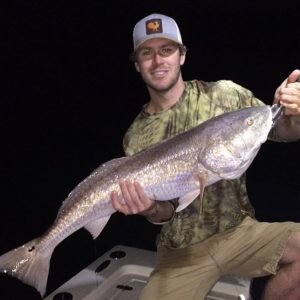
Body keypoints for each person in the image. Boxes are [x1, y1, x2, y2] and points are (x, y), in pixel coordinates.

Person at [111, 13, 300, 300]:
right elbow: (165, 208)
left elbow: (279, 131)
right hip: (180, 253)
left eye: (167, 50)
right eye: (147, 53)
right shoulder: (136, 135)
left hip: (239, 231)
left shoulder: (225, 95)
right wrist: (149, 209)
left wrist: (290, 113)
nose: (158, 60)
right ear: (138, 65)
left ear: (181, 56)